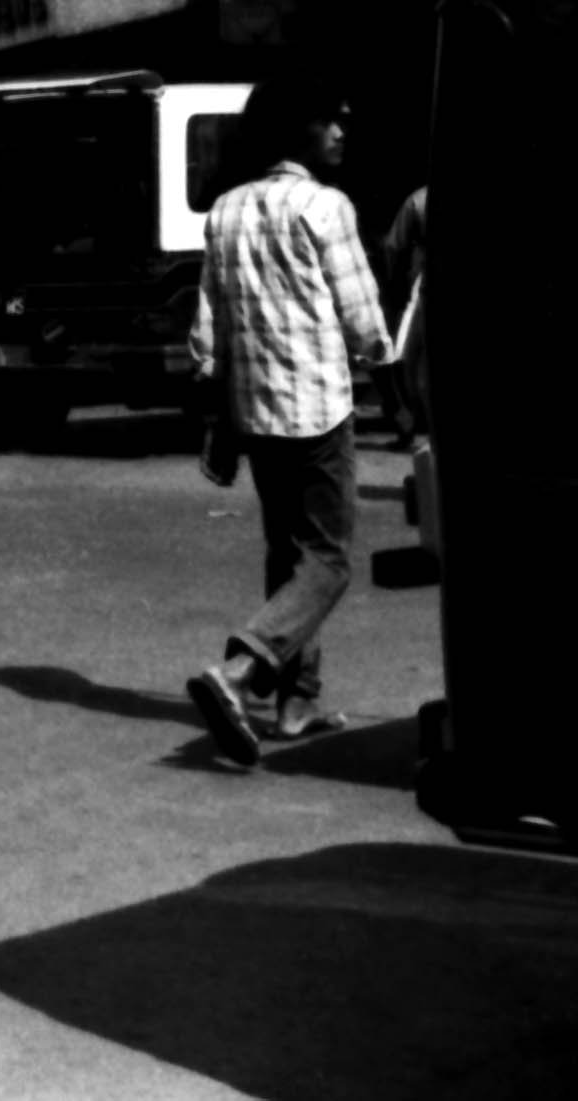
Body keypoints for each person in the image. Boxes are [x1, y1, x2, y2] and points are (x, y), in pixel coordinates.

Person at [183, 82, 396, 765]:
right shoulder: (325, 207)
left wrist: (218, 414)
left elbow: (208, 328)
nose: (342, 129)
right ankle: (241, 670)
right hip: (318, 410)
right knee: (328, 561)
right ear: (295, 130)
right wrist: (397, 387)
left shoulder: (225, 212)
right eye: (331, 117)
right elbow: (363, 316)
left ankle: (297, 703)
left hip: (257, 413)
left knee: (288, 555)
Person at [376, 184, 430, 450]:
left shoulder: (419, 200)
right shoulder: (418, 201)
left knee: (404, 356)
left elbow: (392, 247)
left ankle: (409, 426)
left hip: (421, 289)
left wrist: (393, 284)